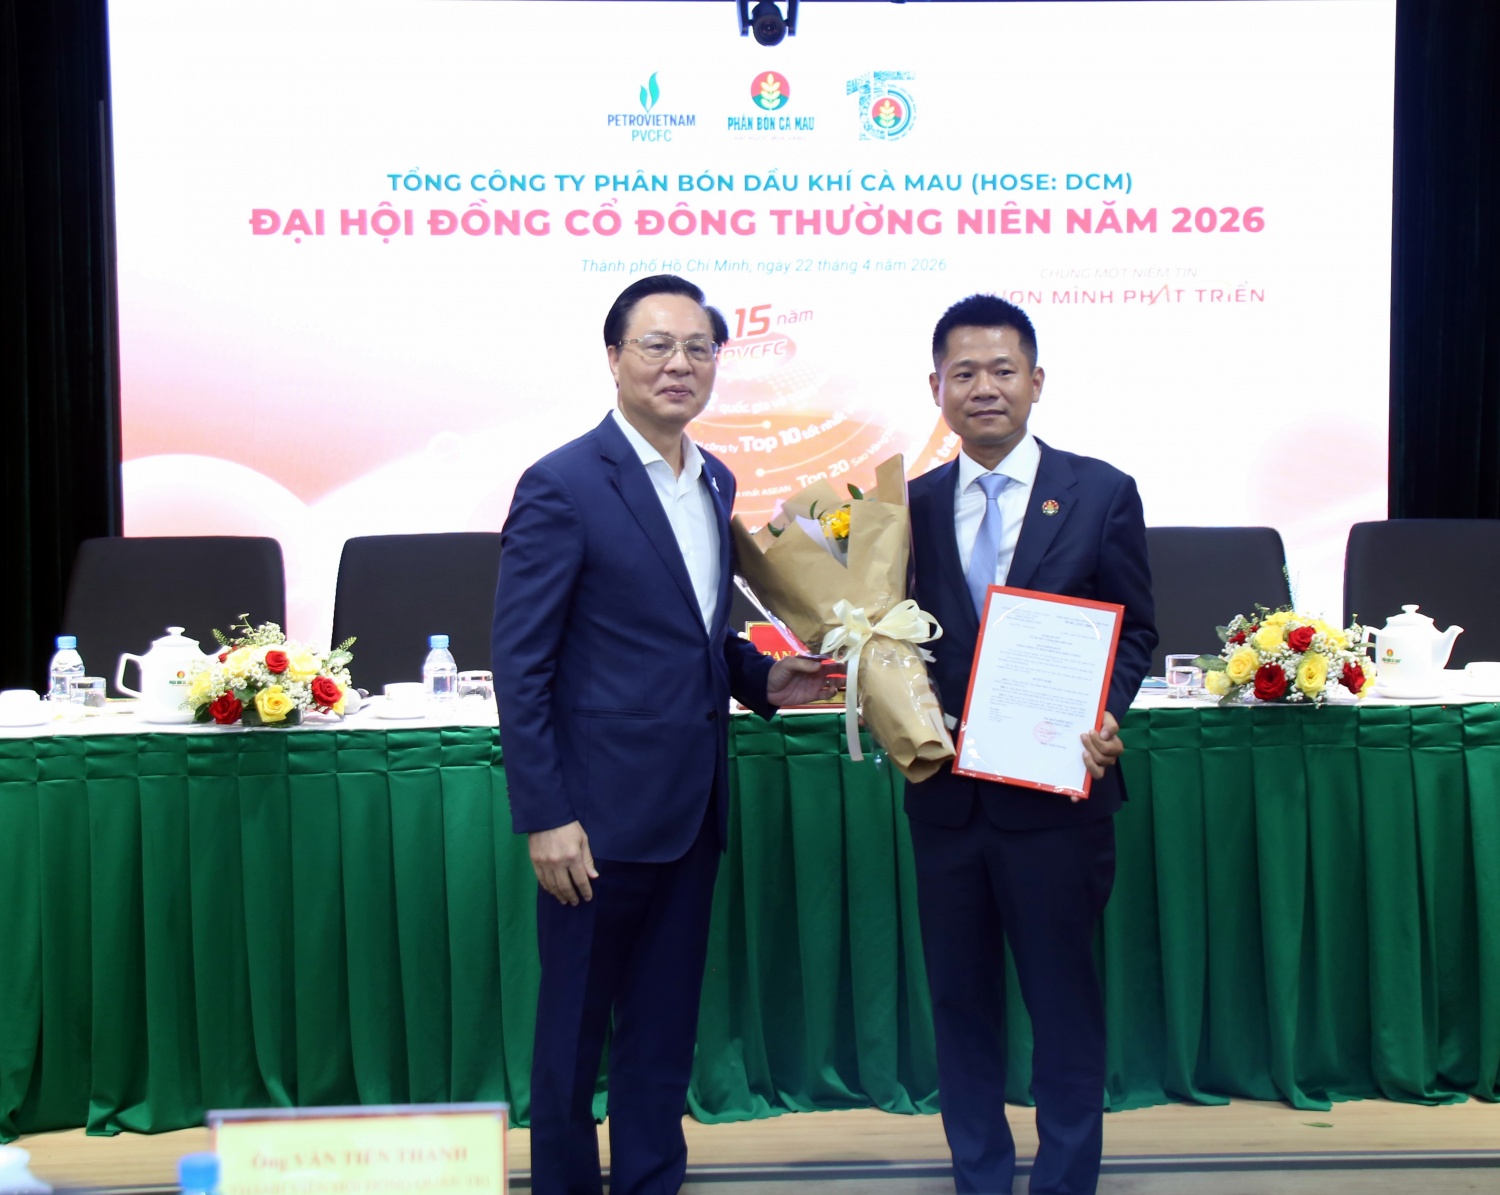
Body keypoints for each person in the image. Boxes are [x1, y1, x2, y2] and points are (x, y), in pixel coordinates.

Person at [493, 274, 836, 1195]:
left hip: (691, 809)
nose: (680, 364)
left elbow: (695, 633)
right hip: (594, 822)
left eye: (698, 348)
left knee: (662, 1032)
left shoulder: (714, 477)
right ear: (614, 359)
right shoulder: (563, 483)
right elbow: (521, 665)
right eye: (656, 345)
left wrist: (765, 677)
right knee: (572, 1035)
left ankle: (652, 1179)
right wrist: (546, 814)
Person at [906, 295, 1157, 1195]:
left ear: (1036, 381)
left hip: (1058, 799)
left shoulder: (1101, 491)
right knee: (959, 1002)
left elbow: (1134, 630)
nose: (985, 388)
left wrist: (1105, 711)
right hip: (947, 800)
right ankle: (978, 1173)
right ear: (936, 387)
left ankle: (1064, 1178)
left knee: (1063, 1002)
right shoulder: (907, 507)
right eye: (964, 372)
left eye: (1003, 370)